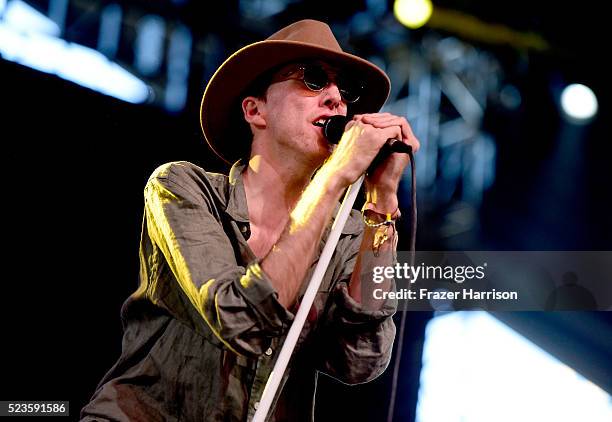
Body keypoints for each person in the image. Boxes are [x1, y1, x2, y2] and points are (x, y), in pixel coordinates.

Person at [81, 19, 419, 422]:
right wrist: (334, 180)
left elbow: (362, 361)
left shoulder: (346, 235)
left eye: (345, 90)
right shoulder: (184, 188)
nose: (336, 100)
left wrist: (380, 208)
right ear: (255, 110)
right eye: (313, 79)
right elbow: (237, 318)